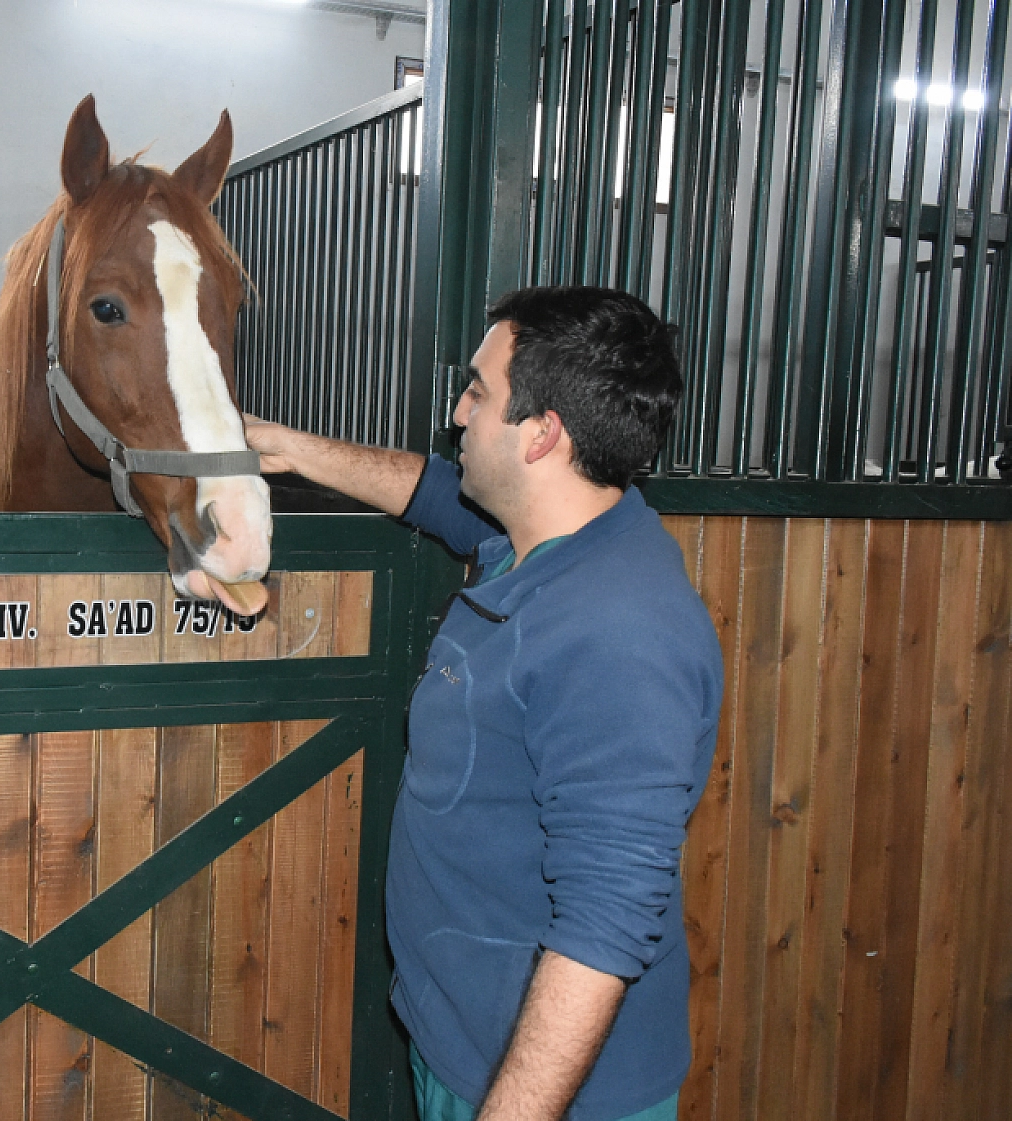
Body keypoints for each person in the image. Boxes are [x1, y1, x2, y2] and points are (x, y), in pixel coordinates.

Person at [245, 286, 723, 1121]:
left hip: (552, 1091)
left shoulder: (621, 632)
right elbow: (435, 494)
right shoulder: (538, 546)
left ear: (542, 434)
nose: (457, 413)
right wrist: (293, 449)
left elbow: (605, 927)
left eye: (477, 391)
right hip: (468, 1044)